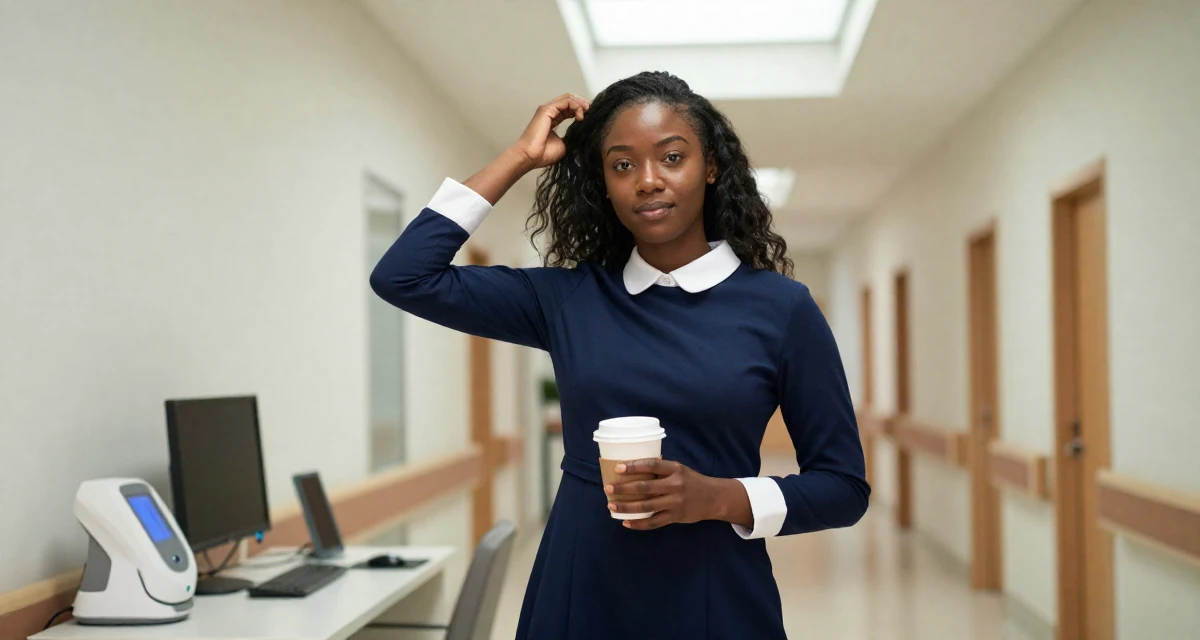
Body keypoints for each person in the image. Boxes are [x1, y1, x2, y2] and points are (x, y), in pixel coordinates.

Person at [370, 71, 869, 639]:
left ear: (711, 168)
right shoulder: (570, 299)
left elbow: (842, 489)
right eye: (623, 164)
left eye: (672, 157)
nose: (648, 181)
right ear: (603, 184)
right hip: (580, 587)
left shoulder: (782, 310)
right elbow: (403, 276)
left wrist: (717, 496)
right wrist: (519, 156)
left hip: (714, 594)